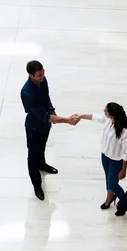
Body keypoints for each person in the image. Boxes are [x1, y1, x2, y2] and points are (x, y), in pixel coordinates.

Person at [21, 60, 79, 201]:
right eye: (39, 75)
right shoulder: (27, 93)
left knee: (42, 146)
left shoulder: (43, 80)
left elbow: (46, 96)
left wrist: (52, 109)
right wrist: (66, 120)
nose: (43, 76)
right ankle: (37, 184)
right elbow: (46, 117)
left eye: (43, 73)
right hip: (34, 126)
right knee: (33, 156)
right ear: (30, 75)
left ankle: (42, 164)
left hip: (45, 125)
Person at [71, 103, 127, 209]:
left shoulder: (124, 131)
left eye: (105, 111)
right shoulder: (109, 120)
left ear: (112, 115)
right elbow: (96, 117)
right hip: (105, 156)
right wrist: (80, 116)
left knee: (113, 184)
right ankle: (109, 197)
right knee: (108, 179)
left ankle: (125, 203)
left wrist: (123, 170)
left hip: (115, 161)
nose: (103, 111)